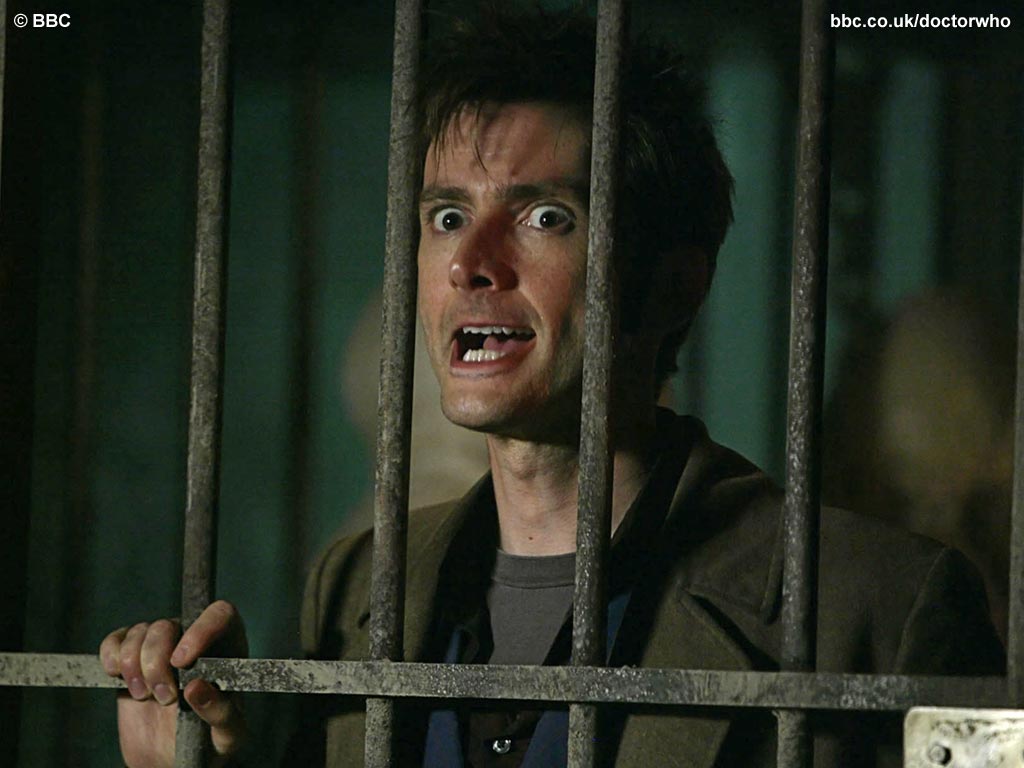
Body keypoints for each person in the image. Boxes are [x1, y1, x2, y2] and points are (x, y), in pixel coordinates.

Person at [99, 6, 1004, 767]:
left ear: (673, 284)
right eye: (446, 216)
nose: (472, 262)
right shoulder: (356, 588)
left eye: (543, 216)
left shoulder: (885, 604)